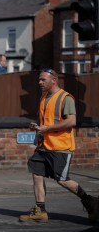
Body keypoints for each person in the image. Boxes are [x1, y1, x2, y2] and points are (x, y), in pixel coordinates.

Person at [20, 68, 99, 223]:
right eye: (39, 79)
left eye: (43, 79)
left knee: (62, 180)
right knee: (37, 174)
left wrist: (47, 128)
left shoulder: (65, 98)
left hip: (61, 147)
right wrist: (38, 126)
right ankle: (40, 210)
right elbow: (48, 120)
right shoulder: (44, 97)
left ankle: (90, 201)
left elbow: (71, 121)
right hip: (44, 146)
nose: (39, 82)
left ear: (54, 80)